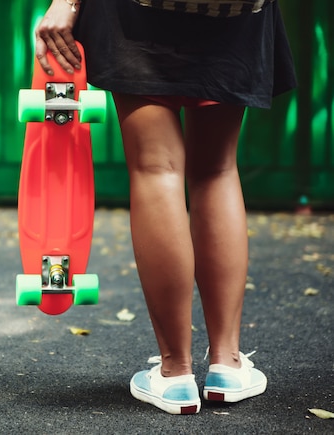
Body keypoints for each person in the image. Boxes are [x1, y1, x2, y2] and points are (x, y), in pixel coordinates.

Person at [34, 0, 297, 415]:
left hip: (137, 12)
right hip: (233, 14)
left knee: (156, 170)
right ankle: (227, 364)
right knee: (216, 170)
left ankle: (175, 375)